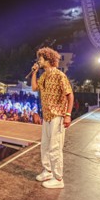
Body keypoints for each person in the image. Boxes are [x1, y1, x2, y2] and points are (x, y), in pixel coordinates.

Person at [31, 47, 74, 189]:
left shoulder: (59, 75)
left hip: (57, 115)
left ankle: (58, 178)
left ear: (48, 59)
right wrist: (34, 72)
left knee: (55, 147)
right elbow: (34, 88)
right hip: (47, 116)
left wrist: (67, 115)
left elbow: (70, 95)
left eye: (41, 58)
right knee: (45, 145)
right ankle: (48, 171)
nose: (39, 61)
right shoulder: (44, 75)